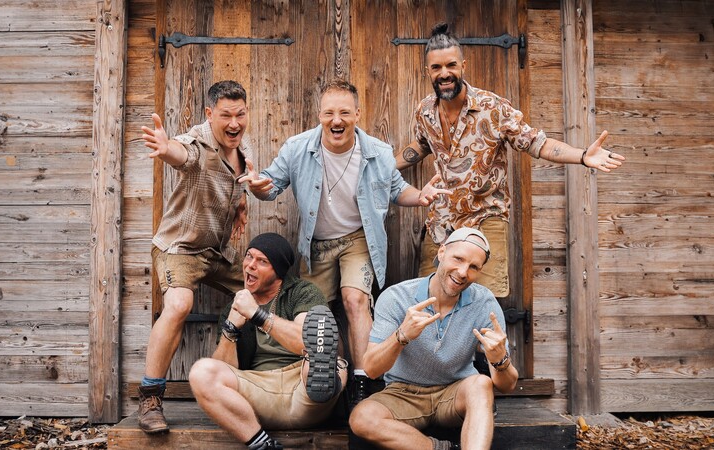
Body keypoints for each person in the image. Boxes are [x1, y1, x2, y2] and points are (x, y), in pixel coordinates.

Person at [240, 79, 450, 405]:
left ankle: (363, 381)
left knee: (355, 300)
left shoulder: (378, 152)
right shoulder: (297, 148)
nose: (336, 120)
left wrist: (420, 195)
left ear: (357, 114)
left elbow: (398, 190)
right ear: (319, 115)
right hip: (316, 244)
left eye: (344, 113)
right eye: (329, 113)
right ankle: (330, 377)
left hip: (358, 239)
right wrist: (256, 186)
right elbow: (270, 185)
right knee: (315, 313)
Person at [398, 22, 626, 298]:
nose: (444, 73)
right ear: (428, 71)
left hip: (485, 218)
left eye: (451, 65)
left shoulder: (492, 107)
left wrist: (582, 156)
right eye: (436, 67)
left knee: (483, 303)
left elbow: (537, 143)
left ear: (463, 66)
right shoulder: (424, 111)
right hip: (441, 223)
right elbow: (420, 146)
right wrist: (381, 166)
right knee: (431, 299)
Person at [136, 80, 251, 433]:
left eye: (241, 114)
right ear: (209, 114)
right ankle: (150, 397)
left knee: (263, 292)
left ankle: (262, 384)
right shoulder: (198, 142)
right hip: (181, 248)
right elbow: (182, 155)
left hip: (217, 252)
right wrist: (165, 147)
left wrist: (241, 203)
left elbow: (235, 182)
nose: (234, 123)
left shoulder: (242, 148)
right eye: (226, 115)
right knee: (180, 304)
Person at [349, 227, 518, 450]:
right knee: (361, 418)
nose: (463, 272)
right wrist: (401, 336)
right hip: (403, 394)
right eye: (458, 259)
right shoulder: (397, 297)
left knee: (481, 383)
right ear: (442, 252)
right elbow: (371, 369)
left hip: (454, 392)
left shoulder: (484, 303)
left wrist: (500, 360)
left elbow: (507, 385)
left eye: (474, 267)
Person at [189, 233, 346, 450]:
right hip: (259, 392)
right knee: (202, 372)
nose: (250, 265)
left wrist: (258, 315)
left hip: (304, 388)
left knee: (331, 362)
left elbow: (307, 341)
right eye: (249, 256)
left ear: (278, 271)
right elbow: (225, 369)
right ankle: (262, 444)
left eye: (262, 261)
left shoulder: (302, 293)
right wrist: (231, 329)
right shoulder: (233, 308)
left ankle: (328, 387)